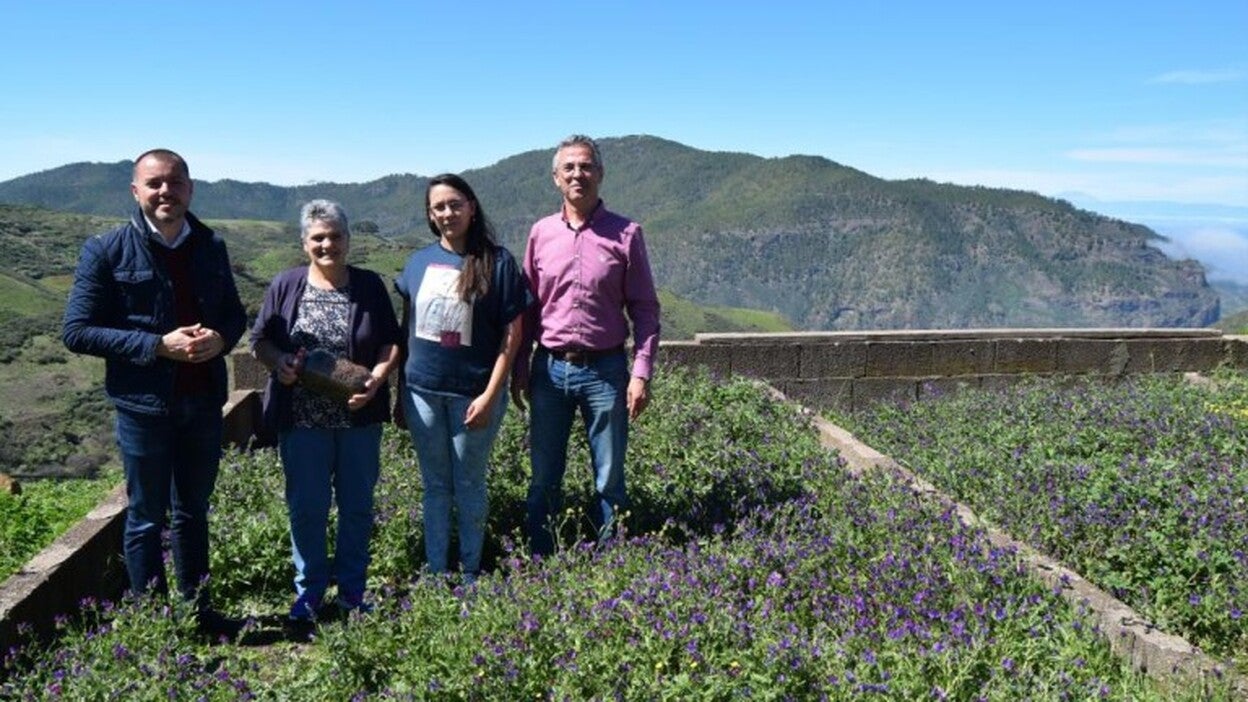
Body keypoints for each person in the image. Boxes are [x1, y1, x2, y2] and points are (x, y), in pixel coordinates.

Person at [62, 148, 247, 638]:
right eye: (155, 183)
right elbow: (76, 331)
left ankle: (199, 614)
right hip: (144, 407)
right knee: (145, 515)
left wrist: (221, 340)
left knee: (193, 511)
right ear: (136, 191)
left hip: (204, 400)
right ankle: (155, 625)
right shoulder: (106, 250)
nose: (166, 191)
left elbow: (233, 312)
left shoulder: (210, 245)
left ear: (189, 188)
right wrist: (156, 346)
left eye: (175, 182)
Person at [251, 200, 401, 622]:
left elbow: (391, 340)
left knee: (357, 506)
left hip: (358, 417)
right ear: (304, 243)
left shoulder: (369, 285)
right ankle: (310, 593)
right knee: (307, 507)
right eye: (318, 237)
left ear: (348, 240)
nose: (327, 244)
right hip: (301, 420)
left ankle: (352, 592)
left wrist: (377, 378)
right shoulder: (286, 284)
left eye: (335, 236)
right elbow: (260, 340)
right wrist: (277, 363)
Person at [512, 135, 661, 557]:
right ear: (556, 178)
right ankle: (541, 560)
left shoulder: (627, 234)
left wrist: (641, 372)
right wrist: (521, 364)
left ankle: (611, 564)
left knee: (610, 477)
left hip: (607, 371)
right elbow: (527, 307)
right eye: (570, 168)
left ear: (600, 173)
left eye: (587, 166)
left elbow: (645, 309)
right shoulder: (540, 234)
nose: (579, 174)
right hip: (549, 369)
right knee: (543, 476)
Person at [395, 174, 531, 583]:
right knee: (435, 486)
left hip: (474, 393)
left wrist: (492, 394)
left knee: (469, 483)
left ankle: (470, 571)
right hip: (422, 393)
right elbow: (407, 330)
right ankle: (437, 572)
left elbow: (513, 334)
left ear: (472, 207)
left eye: (455, 204)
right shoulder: (417, 262)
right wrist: (399, 393)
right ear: (430, 216)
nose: (447, 213)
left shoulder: (499, 262)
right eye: (439, 207)